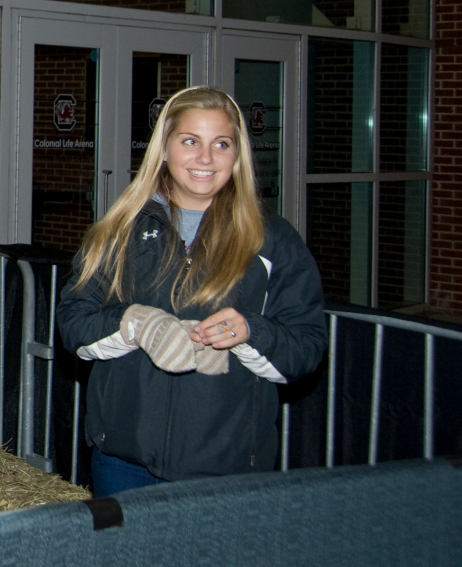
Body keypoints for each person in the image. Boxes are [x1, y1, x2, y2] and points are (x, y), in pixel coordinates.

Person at [57, 85, 326, 495]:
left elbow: (306, 347)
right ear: (164, 149)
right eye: (190, 141)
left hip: (229, 466)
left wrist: (250, 332)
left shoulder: (272, 239)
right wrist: (133, 324)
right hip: (124, 463)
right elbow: (73, 323)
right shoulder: (119, 232)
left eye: (221, 144)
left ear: (237, 157)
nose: (205, 158)